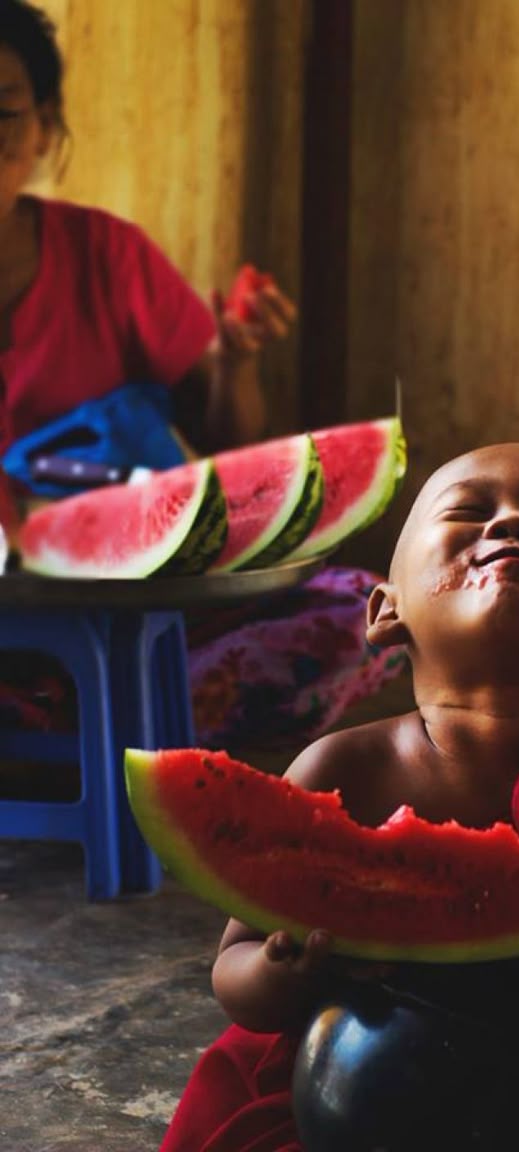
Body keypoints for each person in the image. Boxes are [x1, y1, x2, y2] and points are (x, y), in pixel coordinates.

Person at [161, 440, 519, 1151]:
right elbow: (235, 973)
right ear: (384, 611)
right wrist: (283, 971)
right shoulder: (345, 769)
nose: (512, 524)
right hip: (361, 1105)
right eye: (468, 511)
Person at [0, 0, 406, 754]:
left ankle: (59, 723)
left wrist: (235, 357)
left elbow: (227, 443)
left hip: (140, 614)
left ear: (46, 124)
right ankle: (109, 724)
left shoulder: (107, 257)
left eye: (2, 114)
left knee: (362, 610)